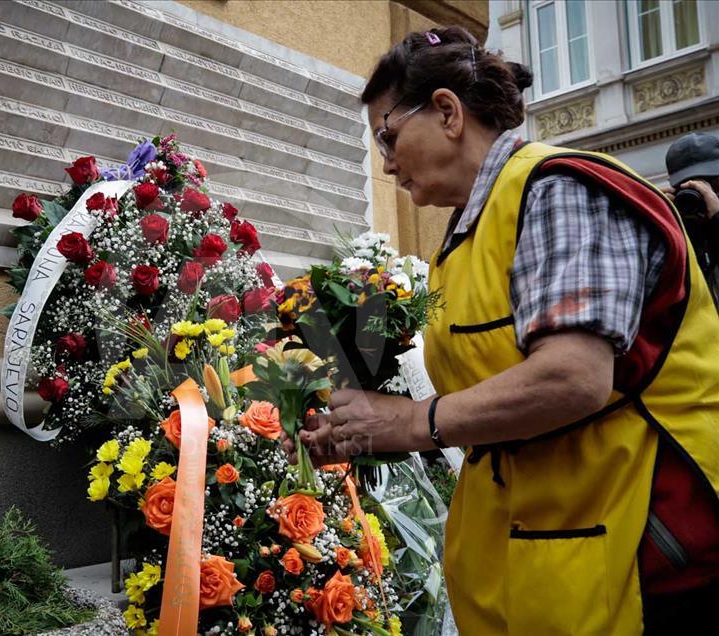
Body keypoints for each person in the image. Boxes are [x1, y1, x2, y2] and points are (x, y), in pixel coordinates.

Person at [286, 27, 719, 635]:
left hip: (647, 562)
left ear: (446, 111)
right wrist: (372, 429)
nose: (385, 163)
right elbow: (484, 398)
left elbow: (574, 378)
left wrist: (412, 422)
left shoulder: (558, 190)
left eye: (388, 135)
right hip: (547, 557)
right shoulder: (462, 237)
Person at [662, 132, 719, 311]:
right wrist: (663, 219)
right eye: (689, 185)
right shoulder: (678, 234)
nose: (703, 193)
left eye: (713, 183)